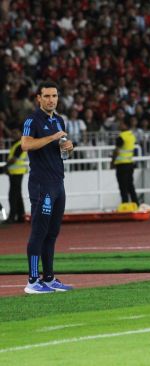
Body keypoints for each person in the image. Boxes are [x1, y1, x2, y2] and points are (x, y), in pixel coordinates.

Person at [21, 81, 74, 294]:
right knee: (39, 232)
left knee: (52, 233)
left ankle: (49, 278)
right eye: (47, 96)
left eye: (54, 96)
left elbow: (59, 151)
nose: (51, 99)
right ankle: (33, 281)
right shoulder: (32, 120)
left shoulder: (59, 120)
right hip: (42, 185)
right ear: (39, 98)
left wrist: (68, 148)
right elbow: (25, 145)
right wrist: (52, 137)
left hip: (58, 184)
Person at [110, 119, 139, 208]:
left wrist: (112, 162)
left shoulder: (122, 136)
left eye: (121, 124)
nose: (119, 125)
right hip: (130, 163)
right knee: (130, 185)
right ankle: (136, 204)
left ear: (125, 125)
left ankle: (125, 205)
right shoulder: (132, 135)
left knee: (123, 186)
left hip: (121, 165)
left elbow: (117, 151)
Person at [3, 129, 27, 224]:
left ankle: (12, 217)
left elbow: (14, 159)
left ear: (20, 134)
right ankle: (21, 216)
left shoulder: (20, 144)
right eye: (13, 133)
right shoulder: (18, 144)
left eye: (15, 133)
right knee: (17, 195)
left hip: (17, 172)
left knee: (12, 195)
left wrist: (5, 167)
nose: (13, 134)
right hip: (16, 172)